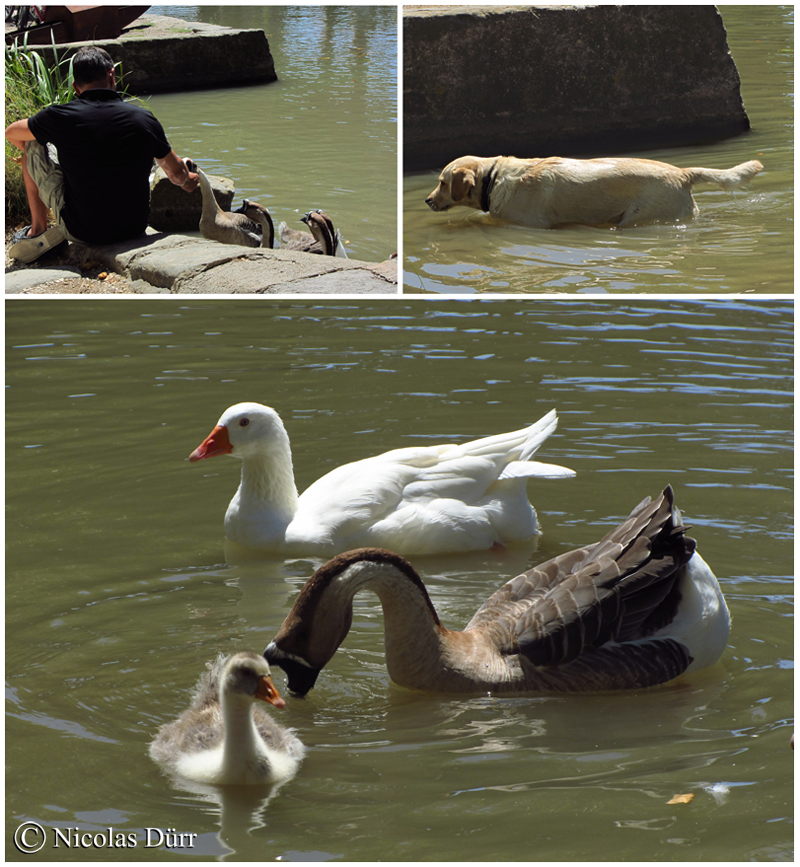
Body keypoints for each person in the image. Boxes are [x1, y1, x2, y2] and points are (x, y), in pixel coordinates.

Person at [5, 45, 199, 263]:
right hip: (133, 228)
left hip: (82, 232)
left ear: (75, 88)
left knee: (32, 143)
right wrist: (189, 179)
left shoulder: (58, 117)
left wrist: (56, 160)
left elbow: (11, 133)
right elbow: (177, 175)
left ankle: (38, 230)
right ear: (112, 76)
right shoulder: (144, 119)